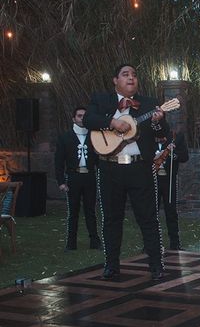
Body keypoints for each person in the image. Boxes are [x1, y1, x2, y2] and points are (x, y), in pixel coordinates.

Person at [84, 63, 169, 280]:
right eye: (125, 74)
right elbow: (88, 119)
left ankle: (156, 265)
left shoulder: (149, 103)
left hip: (140, 167)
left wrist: (158, 122)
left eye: (134, 75)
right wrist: (111, 122)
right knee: (111, 218)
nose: (131, 78)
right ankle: (111, 265)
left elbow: (164, 134)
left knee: (148, 218)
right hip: (109, 167)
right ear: (115, 80)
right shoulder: (101, 100)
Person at [54, 106, 101, 251]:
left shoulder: (94, 136)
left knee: (90, 211)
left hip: (89, 176)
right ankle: (71, 242)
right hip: (73, 177)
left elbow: (99, 160)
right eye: (79, 116)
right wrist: (61, 182)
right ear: (74, 118)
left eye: (84, 116)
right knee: (73, 212)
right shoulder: (65, 137)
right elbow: (58, 161)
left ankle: (94, 241)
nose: (82, 119)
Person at [154, 131, 189, 250]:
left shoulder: (174, 138)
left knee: (171, 212)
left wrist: (173, 154)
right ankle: (151, 244)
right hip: (153, 179)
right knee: (151, 213)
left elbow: (184, 156)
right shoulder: (148, 136)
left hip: (169, 180)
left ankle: (175, 244)